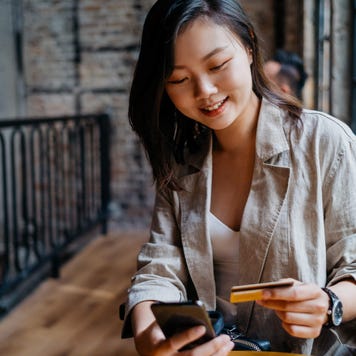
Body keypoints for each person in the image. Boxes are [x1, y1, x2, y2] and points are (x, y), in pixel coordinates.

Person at [122, 0, 356, 355]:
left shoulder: (324, 142)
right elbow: (160, 266)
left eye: (217, 65)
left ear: (248, 46)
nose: (205, 91)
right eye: (179, 79)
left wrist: (330, 303)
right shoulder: (183, 162)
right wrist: (147, 332)